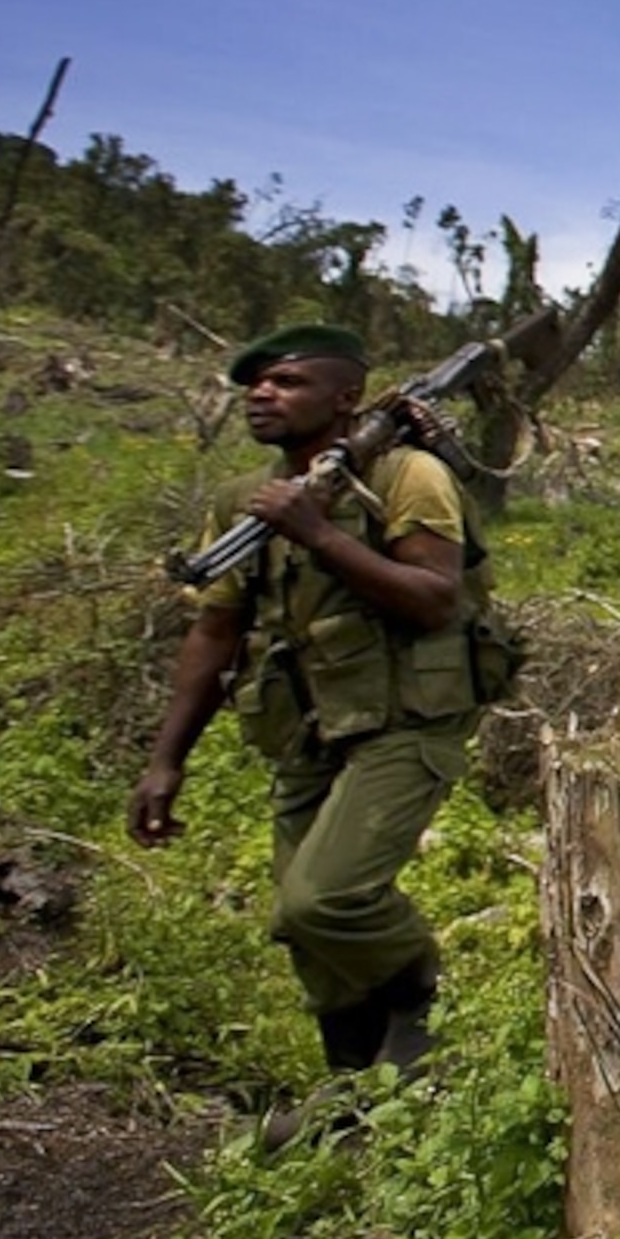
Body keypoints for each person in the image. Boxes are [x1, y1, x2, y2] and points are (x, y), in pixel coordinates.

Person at [128, 323, 481, 1092]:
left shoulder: (404, 476)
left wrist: (317, 533)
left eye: (287, 382)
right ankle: (354, 1092)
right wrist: (166, 761)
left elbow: (434, 597)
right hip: (310, 729)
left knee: (328, 898)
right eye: (257, 383)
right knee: (300, 927)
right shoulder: (240, 505)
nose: (262, 393)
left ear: (345, 397)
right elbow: (215, 629)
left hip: (404, 722)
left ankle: (424, 1008)